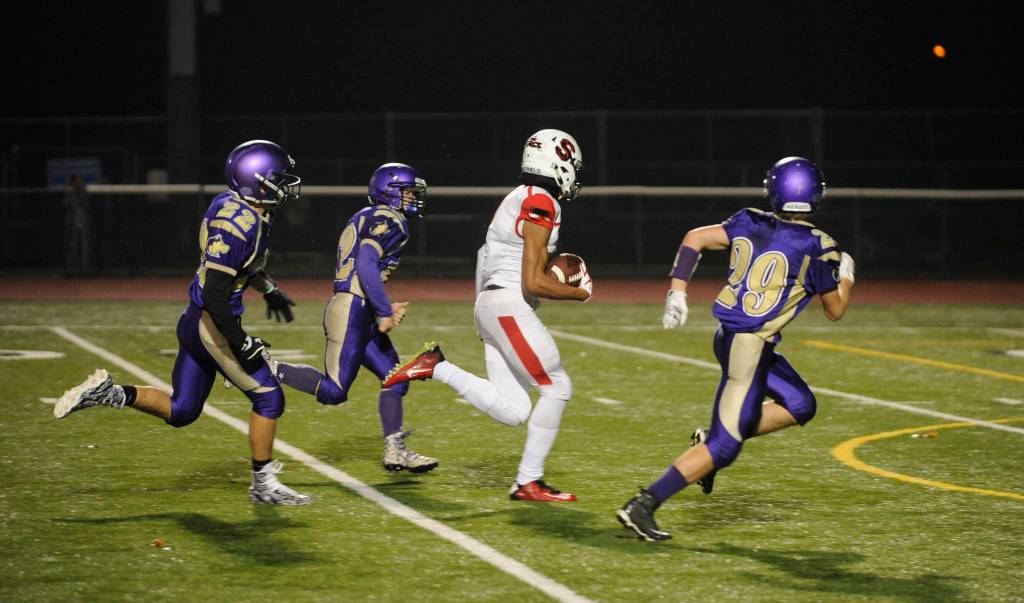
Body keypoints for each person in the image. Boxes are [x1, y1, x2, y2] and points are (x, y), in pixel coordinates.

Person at [53, 139, 310, 505]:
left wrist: (267, 288)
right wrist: (241, 341)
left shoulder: (232, 204)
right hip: (211, 324)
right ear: (256, 181)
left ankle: (110, 393)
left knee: (183, 411)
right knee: (269, 397)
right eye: (278, 178)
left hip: (193, 320)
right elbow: (216, 295)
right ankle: (263, 485)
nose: (285, 185)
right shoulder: (242, 225)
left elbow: (239, 267)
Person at [617, 156, 855, 540]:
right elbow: (836, 310)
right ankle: (643, 505)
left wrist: (677, 291)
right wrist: (846, 274)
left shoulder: (750, 221)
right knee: (725, 447)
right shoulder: (819, 246)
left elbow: (694, 237)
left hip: (730, 338)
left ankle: (707, 439)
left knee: (800, 405)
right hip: (750, 347)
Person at [383, 129, 592, 502]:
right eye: (572, 167)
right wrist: (579, 292)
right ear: (558, 162)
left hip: (492, 304)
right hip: (508, 304)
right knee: (557, 387)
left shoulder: (519, 197)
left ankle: (437, 366)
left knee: (514, 410)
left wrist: (485, 315)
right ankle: (529, 482)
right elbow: (532, 280)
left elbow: (484, 255)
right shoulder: (542, 201)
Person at [271, 163, 438, 473]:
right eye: (409, 192)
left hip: (357, 307)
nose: (414, 198)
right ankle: (265, 366)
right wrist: (384, 310)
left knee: (396, 378)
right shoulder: (391, 219)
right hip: (351, 308)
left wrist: (381, 305)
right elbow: (365, 262)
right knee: (334, 392)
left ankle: (394, 450)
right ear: (391, 192)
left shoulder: (365, 215)